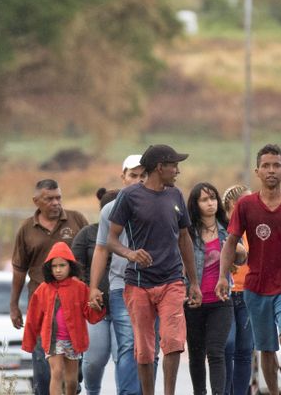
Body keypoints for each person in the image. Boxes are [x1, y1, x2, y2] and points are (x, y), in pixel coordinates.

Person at [215, 144, 281, 395]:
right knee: (266, 347)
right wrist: (222, 277)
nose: (271, 170)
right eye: (266, 166)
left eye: (276, 165)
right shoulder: (245, 206)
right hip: (257, 287)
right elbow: (231, 242)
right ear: (257, 171)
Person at [106, 144, 201, 395]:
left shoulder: (175, 195)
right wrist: (130, 253)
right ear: (160, 167)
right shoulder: (129, 197)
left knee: (172, 341)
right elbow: (111, 239)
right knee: (145, 349)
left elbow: (184, 238)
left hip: (171, 280)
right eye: (174, 165)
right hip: (138, 282)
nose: (177, 170)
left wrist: (194, 282)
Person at [12, 179, 90, 395]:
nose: (56, 203)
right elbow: (19, 269)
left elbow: (94, 254)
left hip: (74, 303)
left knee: (74, 375)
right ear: (36, 201)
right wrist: (14, 306)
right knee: (44, 366)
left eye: (59, 197)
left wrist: (91, 291)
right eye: (50, 199)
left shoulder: (76, 220)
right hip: (42, 304)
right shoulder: (27, 229)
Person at [84, 154, 146, 395]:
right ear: (123, 177)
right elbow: (100, 249)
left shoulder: (160, 204)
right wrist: (93, 287)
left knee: (149, 349)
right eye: (133, 175)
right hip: (122, 285)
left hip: (155, 285)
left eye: (143, 176)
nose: (138, 181)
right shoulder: (110, 209)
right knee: (127, 345)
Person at [184, 182, 245, 395]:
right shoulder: (187, 232)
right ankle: (199, 392)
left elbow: (242, 257)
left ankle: (219, 392)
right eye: (204, 199)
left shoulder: (227, 227)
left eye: (212, 198)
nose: (210, 203)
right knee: (196, 353)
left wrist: (237, 249)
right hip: (193, 301)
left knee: (216, 351)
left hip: (221, 300)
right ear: (195, 204)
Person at [23, 242, 107, 395]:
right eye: (54, 266)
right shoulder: (44, 289)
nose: (58, 270)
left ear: (70, 266)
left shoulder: (80, 288)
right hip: (53, 340)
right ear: (49, 268)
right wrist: (29, 342)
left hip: (73, 340)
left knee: (72, 380)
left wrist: (97, 307)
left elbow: (90, 314)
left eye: (62, 265)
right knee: (57, 372)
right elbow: (33, 318)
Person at [72, 188, 118, 395]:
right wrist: (88, 292)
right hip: (95, 310)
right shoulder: (87, 234)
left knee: (124, 357)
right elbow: (75, 270)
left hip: (124, 306)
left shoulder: (133, 235)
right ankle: (92, 391)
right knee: (93, 360)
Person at [221, 184, 254, 395]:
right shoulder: (222, 228)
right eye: (248, 200)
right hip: (224, 294)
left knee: (244, 351)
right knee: (227, 346)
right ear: (235, 204)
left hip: (249, 294)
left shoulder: (254, 229)